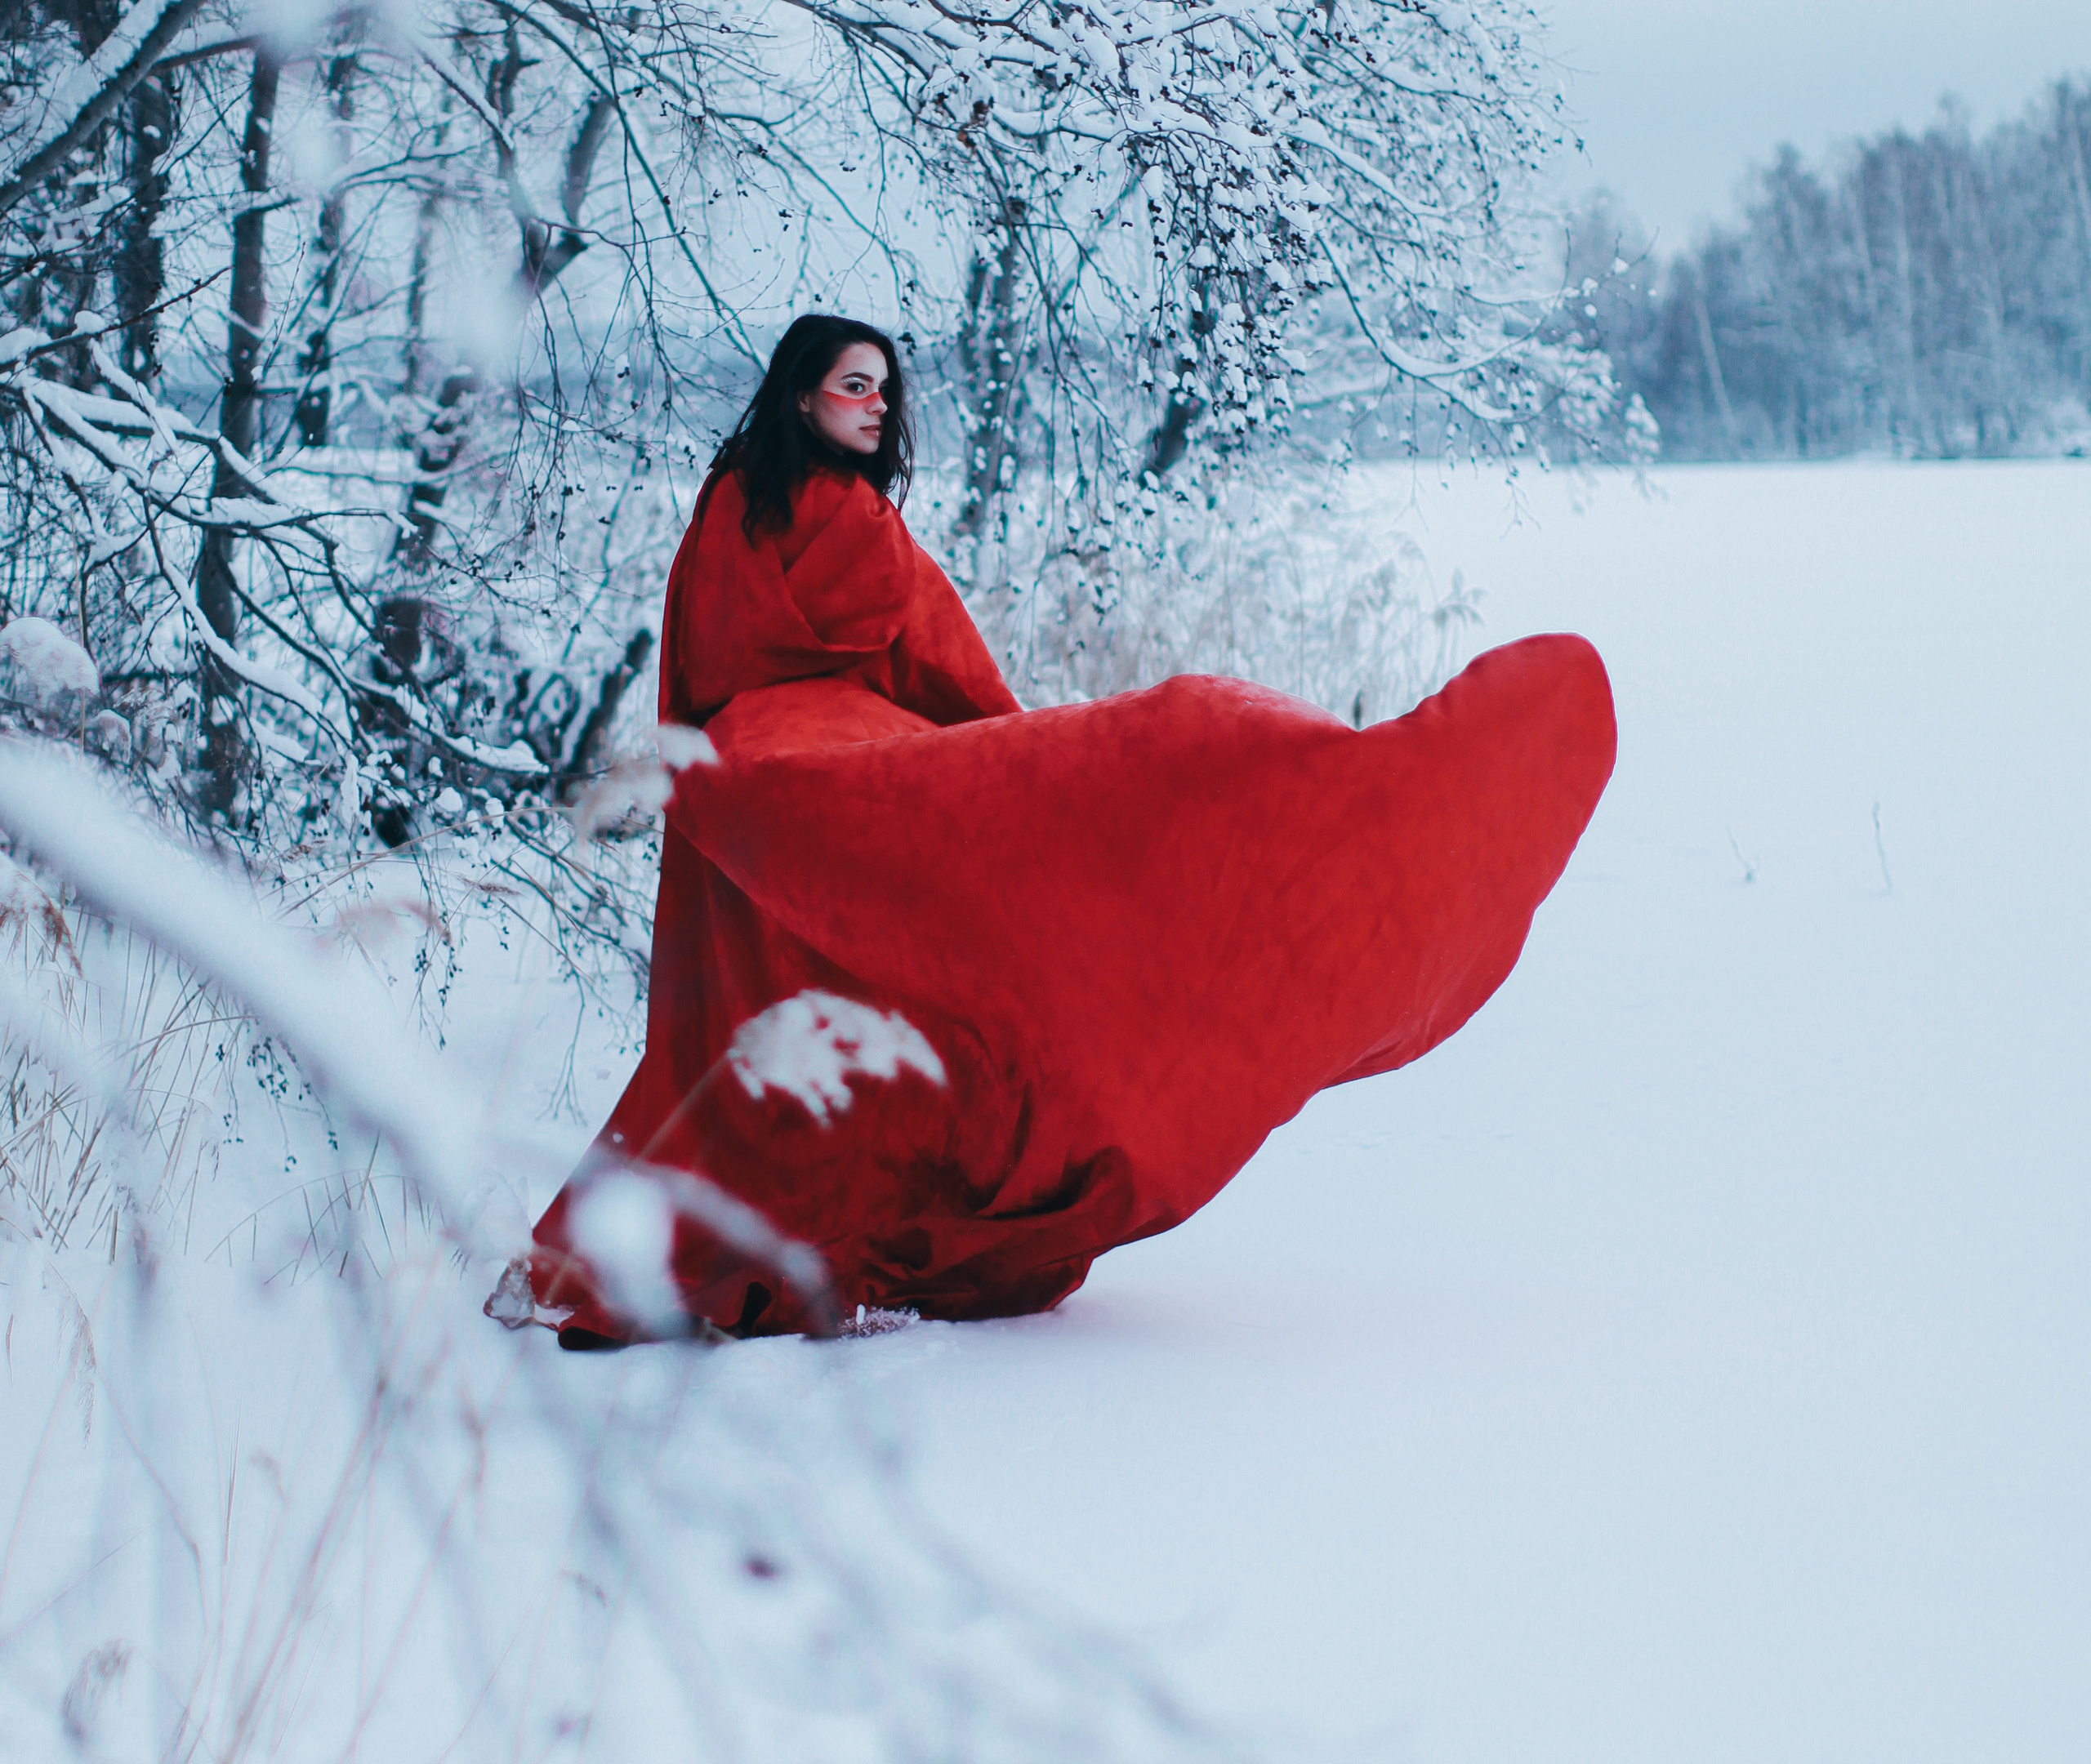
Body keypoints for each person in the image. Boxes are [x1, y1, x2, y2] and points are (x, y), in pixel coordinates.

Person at [519, 314, 1616, 1344]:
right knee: (766, 1032)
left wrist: (1039, 795)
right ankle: (708, 1237)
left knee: (1180, 749)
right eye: (853, 385)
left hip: (860, 780)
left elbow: (950, 681)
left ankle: (1353, 778)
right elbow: (702, 679)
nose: (874, 404)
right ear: (799, 396)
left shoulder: (874, 528)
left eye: (885, 388)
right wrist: (734, 781)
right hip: (763, 785)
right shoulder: (736, 512)